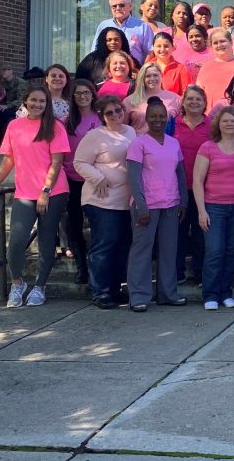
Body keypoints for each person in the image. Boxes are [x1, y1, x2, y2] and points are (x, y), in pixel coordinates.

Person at [0, 87, 70, 308]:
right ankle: (18, 283)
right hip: (24, 193)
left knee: (47, 242)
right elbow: (8, 160)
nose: (38, 105)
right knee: (16, 243)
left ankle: (40, 286)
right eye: (33, 100)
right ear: (25, 102)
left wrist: (45, 192)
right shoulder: (14, 125)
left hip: (53, 192)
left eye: (42, 101)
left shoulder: (55, 127)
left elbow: (57, 163)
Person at [73, 95, 137, 309]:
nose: (116, 115)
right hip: (101, 200)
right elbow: (79, 162)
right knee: (105, 244)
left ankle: (115, 288)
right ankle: (100, 291)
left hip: (125, 200)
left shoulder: (131, 132)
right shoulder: (95, 136)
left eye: (118, 110)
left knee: (122, 244)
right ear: (101, 116)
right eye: (109, 112)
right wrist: (98, 177)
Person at [125, 97, 188, 312]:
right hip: (146, 206)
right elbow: (133, 177)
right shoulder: (138, 143)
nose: (158, 120)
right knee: (142, 250)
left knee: (169, 251)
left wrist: (183, 201)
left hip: (171, 204)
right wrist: (141, 206)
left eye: (162, 116)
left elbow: (180, 173)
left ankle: (167, 294)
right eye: (153, 116)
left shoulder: (173, 142)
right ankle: (139, 296)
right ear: (146, 118)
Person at [193, 105, 234, 310]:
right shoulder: (208, 147)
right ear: (218, 124)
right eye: (225, 120)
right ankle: (210, 294)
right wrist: (201, 211)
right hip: (214, 207)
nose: (229, 123)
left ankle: (225, 292)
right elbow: (197, 181)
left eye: (233, 120)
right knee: (214, 250)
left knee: (230, 251)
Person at [172, 85, 210, 285]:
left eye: (199, 99)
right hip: (178, 185)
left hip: (205, 187)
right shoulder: (172, 124)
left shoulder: (212, 125)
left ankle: (200, 273)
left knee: (201, 230)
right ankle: (177, 273)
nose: (194, 102)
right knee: (177, 231)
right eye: (190, 99)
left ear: (205, 103)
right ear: (183, 102)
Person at [63, 79, 99, 284]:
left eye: (86, 93)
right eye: (78, 93)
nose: (83, 97)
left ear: (93, 95)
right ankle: (81, 267)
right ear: (73, 97)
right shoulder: (67, 121)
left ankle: (95, 266)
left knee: (96, 224)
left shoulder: (101, 118)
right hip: (72, 178)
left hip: (95, 179)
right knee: (74, 224)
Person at [91, 0, 153, 65]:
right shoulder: (103, 26)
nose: (117, 8)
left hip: (134, 72)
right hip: (105, 72)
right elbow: (95, 49)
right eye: (114, 6)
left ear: (130, 6)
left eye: (121, 5)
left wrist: (142, 72)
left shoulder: (143, 26)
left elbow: (149, 52)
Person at [124, 63, 181, 134]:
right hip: (139, 142)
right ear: (142, 78)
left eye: (155, 75)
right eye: (148, 76)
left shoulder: (176, 99)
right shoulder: (130, 100)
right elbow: (123, 128)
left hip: (167, 142)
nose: (152, 79)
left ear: (161, 76)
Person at [146, 32, 192, 96]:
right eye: (159, 46)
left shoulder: (181, 69)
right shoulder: (147, 67)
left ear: (172, 47)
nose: (162, 49)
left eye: (166, 46)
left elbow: (186, 95)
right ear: (153, 48)